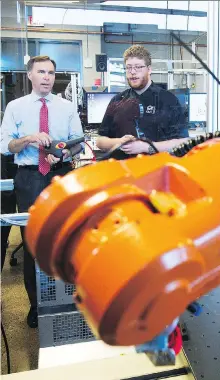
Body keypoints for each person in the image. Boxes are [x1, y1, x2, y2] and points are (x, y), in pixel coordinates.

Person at [1, 55, 84, 328]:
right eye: (41, 72)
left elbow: (78, 144)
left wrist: (60, 155)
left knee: (64, 240)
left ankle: (68, 299)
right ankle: (37, 306)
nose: (47, 77)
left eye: (50, 72)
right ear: (30, 75)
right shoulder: (15, 107)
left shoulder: (67, 107)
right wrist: (28, 138)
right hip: (29, 179)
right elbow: (5, 147)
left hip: (60, 177)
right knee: (33, 243)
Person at [96, 45, 189, 159]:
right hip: (124, 171)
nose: (133, 72)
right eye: (128, 68)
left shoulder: (168, 100)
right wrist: (119, 142)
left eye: (138, 67)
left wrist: (147, 147)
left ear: (149, 69)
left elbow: (183, 142)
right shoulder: (117, 101)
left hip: (157, 170)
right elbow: (100, 140)